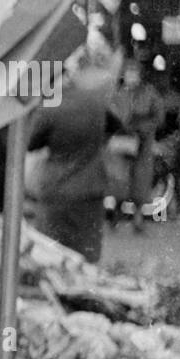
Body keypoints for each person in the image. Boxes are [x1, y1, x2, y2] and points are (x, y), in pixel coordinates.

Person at [27, 41, 124, 264]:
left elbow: (31, 143)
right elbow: (117, 123)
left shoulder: (51, 105)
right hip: (91, 188)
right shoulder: (94, 100)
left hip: (56, 189)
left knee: (51, 257)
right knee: (87, 256)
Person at [120, 59, 163, 233]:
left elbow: (159, 117)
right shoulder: (119, 93)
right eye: (128, 72)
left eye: (134, 72)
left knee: (140, 180)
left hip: (143, 143)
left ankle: (137, 217)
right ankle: (116, 213)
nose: (131, 76)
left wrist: (143, 127)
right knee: (119, 178)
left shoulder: (150, 93)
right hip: (122, 143)